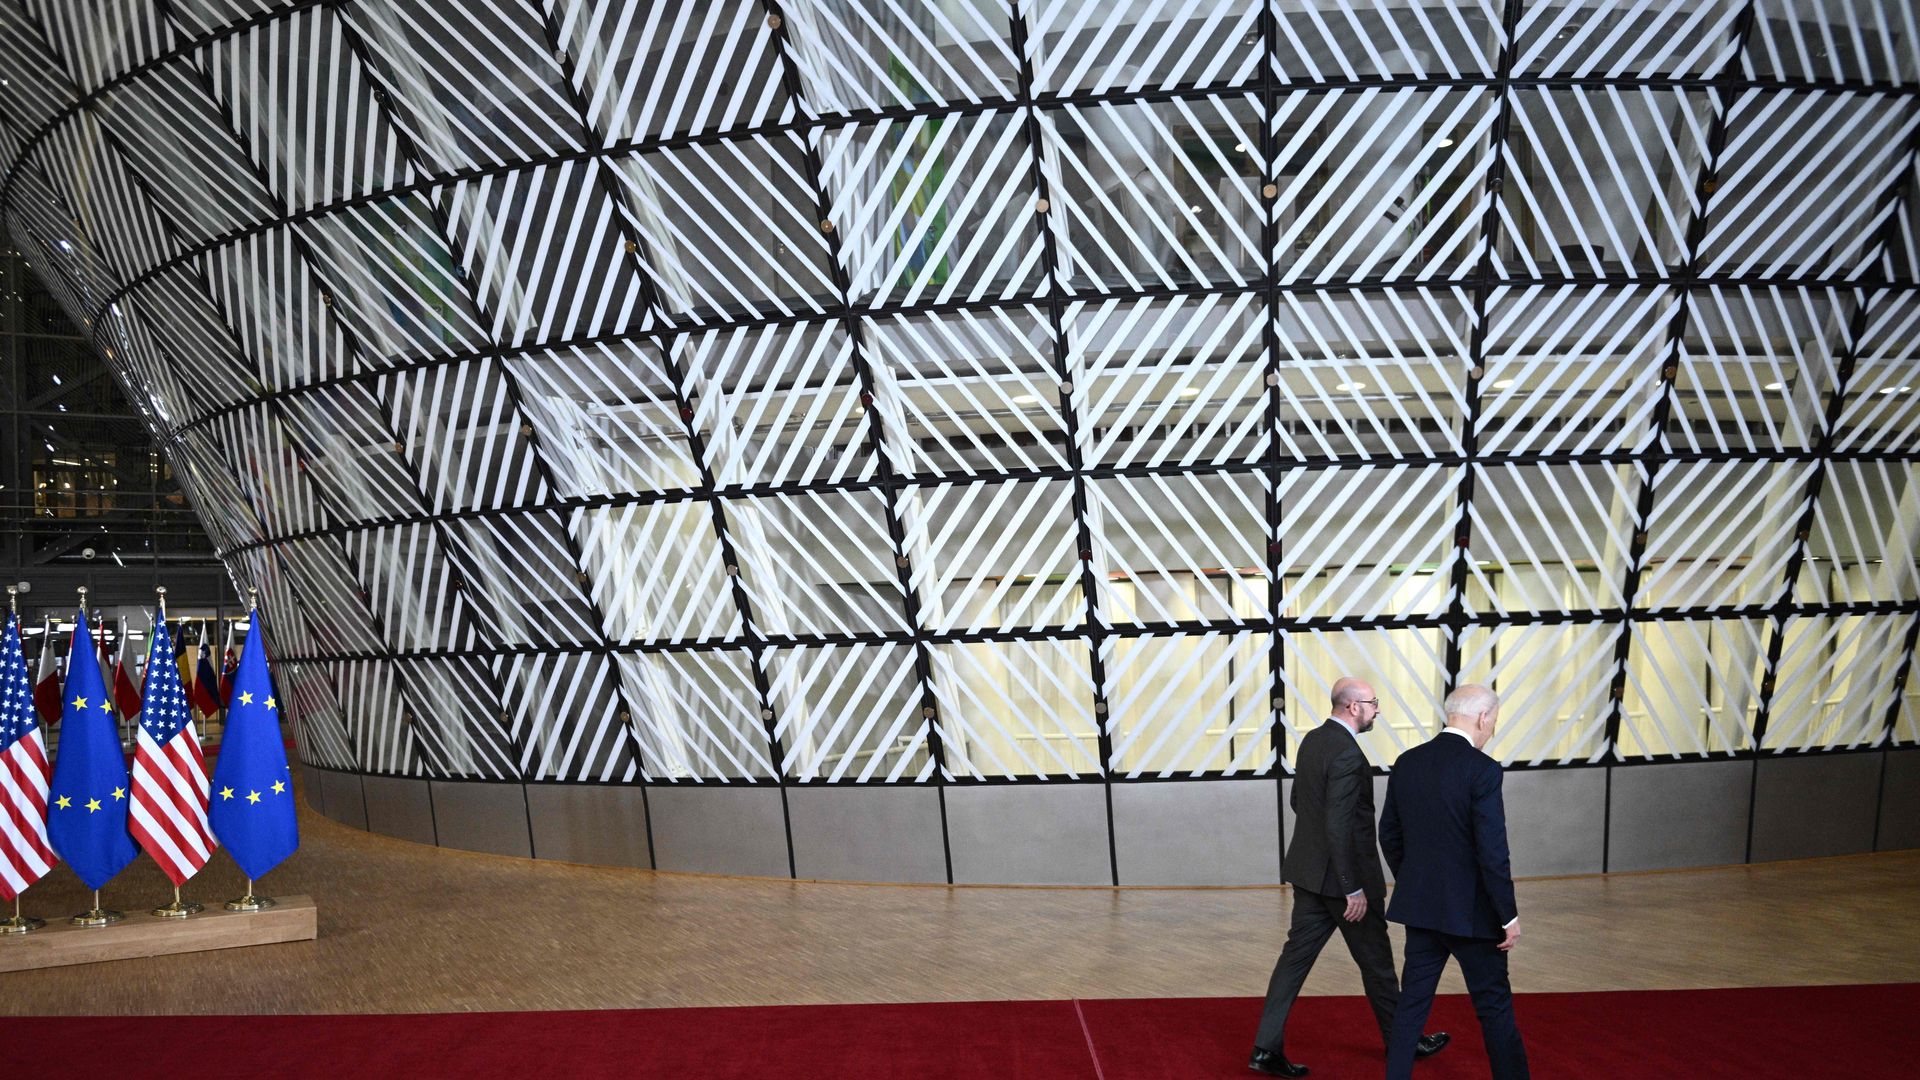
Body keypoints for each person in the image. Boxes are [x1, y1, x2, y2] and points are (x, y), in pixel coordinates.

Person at [1250, 677, 1449, 1077]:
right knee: (1377, 963)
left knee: (1293, 963)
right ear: (1354, 707)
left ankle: (1264, 1049)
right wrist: (1350, 887)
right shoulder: (1348, 755)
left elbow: (1298, 802)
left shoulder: (1313, 741)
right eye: (1374, 703)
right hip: (1346, 884)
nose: (1377, 709)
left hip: (1309, 876)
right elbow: (1339, 825)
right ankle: (1403, 1042)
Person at [1379, 684, 1530, 1080]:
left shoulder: (1407, 762)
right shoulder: (1483, 769)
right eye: (1494, 722)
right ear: (1482, 718)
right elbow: (1492, 852)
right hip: (1474, 915)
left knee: (1411, 1008)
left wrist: (1414, 879)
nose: (1492, 730)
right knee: (1494, 1008)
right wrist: (1508, 915)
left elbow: (1389, 835)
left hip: (1422, 910)